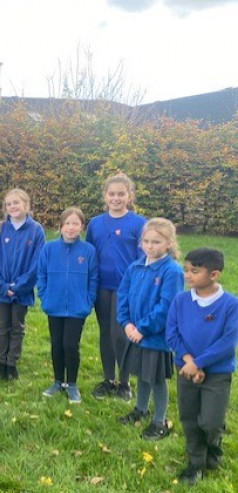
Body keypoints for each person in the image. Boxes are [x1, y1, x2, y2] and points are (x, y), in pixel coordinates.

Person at [166, 248, 238, 485]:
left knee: (210, 421)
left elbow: (227, 342)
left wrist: (199, 363)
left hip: (217, 373)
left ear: (214, 274)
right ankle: (196, 462)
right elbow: (172, 334)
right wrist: (189, 362)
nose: (187, 275)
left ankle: (213, 445)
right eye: (186, 270)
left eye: (194, 271)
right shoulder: (180, 300)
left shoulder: (230, 304)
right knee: (189, 419)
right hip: (186, 370)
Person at [116, 218, 183, 440]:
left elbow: (166, 307)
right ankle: (141, 409)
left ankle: (159, 421)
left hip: (154, 337)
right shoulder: (135, 267)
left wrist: (143, 329)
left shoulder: (171, 271)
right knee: (142, 375)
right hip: (134, 333)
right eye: (146, 241)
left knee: (155, 379)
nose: (150, 246)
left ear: (169, 244)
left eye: (156, 242)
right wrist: (126, 323)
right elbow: (123, 296)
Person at [87, 173, 147, 401]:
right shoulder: (95, 223)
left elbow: (144, 257)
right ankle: (108, 379)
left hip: (126, 289)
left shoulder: (139, 223)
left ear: (129, 196)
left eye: (121, 194)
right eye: (112, 194)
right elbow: (91, 255)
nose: (116, 198)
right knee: (106, 333)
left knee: (121, 334)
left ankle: (124, 382)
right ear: (105, 196)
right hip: (102, 287)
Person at [37, 207, 99, 403]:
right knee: (57, 345)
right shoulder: (48, 248)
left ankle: (71, 383)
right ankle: (57, 381)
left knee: (70, 345)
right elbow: (41, 275)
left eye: (76, 224)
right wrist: (45, 296)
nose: (71, 228)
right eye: (67, 224)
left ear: (82, 227)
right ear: (61, 226)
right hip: (54, 305)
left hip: (77, 308)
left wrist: (88, 301)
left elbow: (94, 279)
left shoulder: (88, 251)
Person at [0, 188, 45, 380]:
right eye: (9, 204)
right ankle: (1, 361)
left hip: (22, 291)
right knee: (3, 325)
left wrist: (18, 286)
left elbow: (37, 264)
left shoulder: (36, 230)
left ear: (26, 205)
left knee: (17, 326)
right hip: (2, 289)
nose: (13, 207)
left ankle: (12, 362)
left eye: (16, 203)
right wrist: (2, 286)